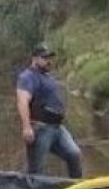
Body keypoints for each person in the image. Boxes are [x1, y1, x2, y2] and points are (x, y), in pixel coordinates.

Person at [16, 44, 83, 179]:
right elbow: (22, 102)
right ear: (34, 58)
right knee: (36, 169)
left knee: (74, 154)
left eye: (49, 58)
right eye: (44, 57)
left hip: (57, 128)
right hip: (40, 128)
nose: (48, 61)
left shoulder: (48, 77)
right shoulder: (27, 77)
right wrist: (27, 127)